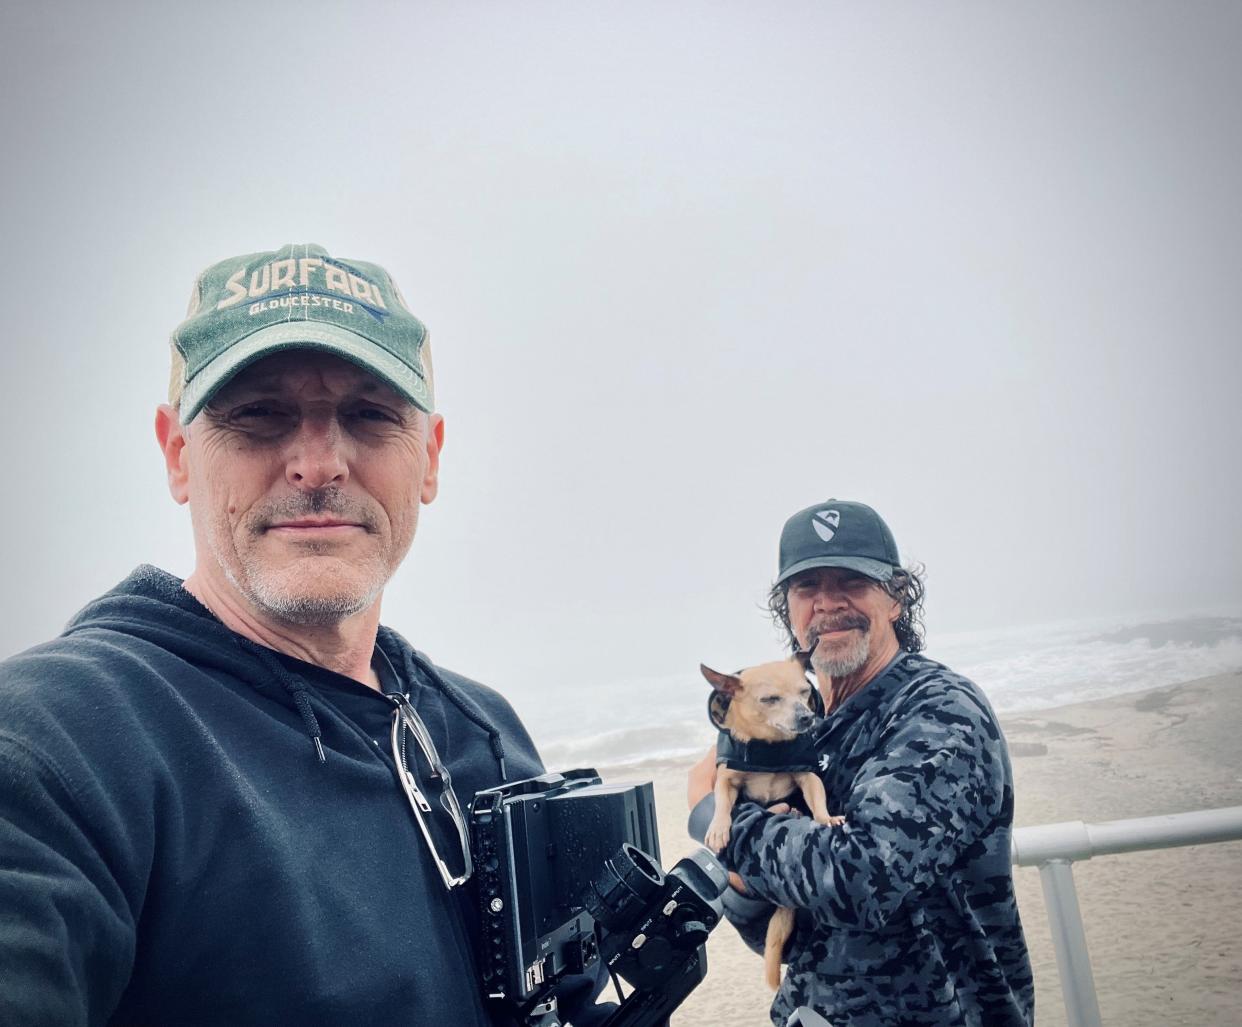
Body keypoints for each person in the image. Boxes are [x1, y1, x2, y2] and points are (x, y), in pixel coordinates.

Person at [0, 244, 606, 1026]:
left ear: (430, 456)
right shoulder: (63, 741)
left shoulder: (486, 734)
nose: (318, 464)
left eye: (369, 414)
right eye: (258, 414)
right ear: (178, 453)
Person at [688, 500, 1034, 1026]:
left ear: (895, 597)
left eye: (850, 580)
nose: (827, 603)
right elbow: (796, 929)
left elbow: (862, 881)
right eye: (807, 588)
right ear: (788, 609)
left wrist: (718, 818)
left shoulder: (939, 712)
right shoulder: (805, 728)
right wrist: (745, 881)